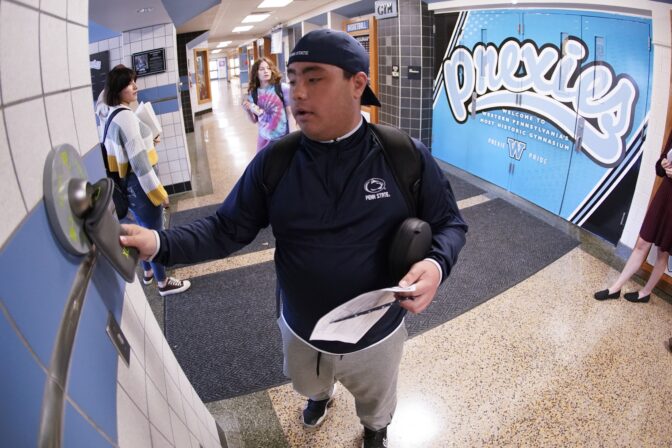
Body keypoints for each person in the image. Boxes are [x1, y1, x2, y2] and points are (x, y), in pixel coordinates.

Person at [120, 29, 467, 448]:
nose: (297, 92)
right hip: (301, 328)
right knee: (309, 381)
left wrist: (435, 264)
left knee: (377, 399)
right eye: (292, 77)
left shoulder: (402, 155)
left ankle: (376, 429)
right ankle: (320, 398)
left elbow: (450, 224)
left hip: (379, 329)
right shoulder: (276, 162)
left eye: (314, 78)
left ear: (358, 83)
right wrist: (159, 243)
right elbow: (226, 228)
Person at [99, 65, 191, 297]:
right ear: (118, 89)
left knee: (140, 228)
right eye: (130, 83)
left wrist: (148, 141)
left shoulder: (107, 112)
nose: (135, 87)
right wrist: (160, 194)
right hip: (141, 186)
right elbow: (140, 164)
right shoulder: (127, 118)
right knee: (154, 234)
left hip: (127, 187)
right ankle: (163, 284)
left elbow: (129, 151)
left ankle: (148, 272)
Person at [594, 137, 672, 304]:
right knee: (642, 243)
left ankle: (646, 292)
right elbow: (659, 166)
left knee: (663, 252)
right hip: (664, 196)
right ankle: (615, 288)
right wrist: (664, 164)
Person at [242, 57, 296, 151]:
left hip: (282, 137)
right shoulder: (253, 94)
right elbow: (255, 120)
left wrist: (293, 138)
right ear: (256, 73)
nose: (266, 71)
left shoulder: (282, 88)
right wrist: (247, 110)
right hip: (264, 139)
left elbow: (290, 114)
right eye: (262, 69)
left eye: (268, 68)